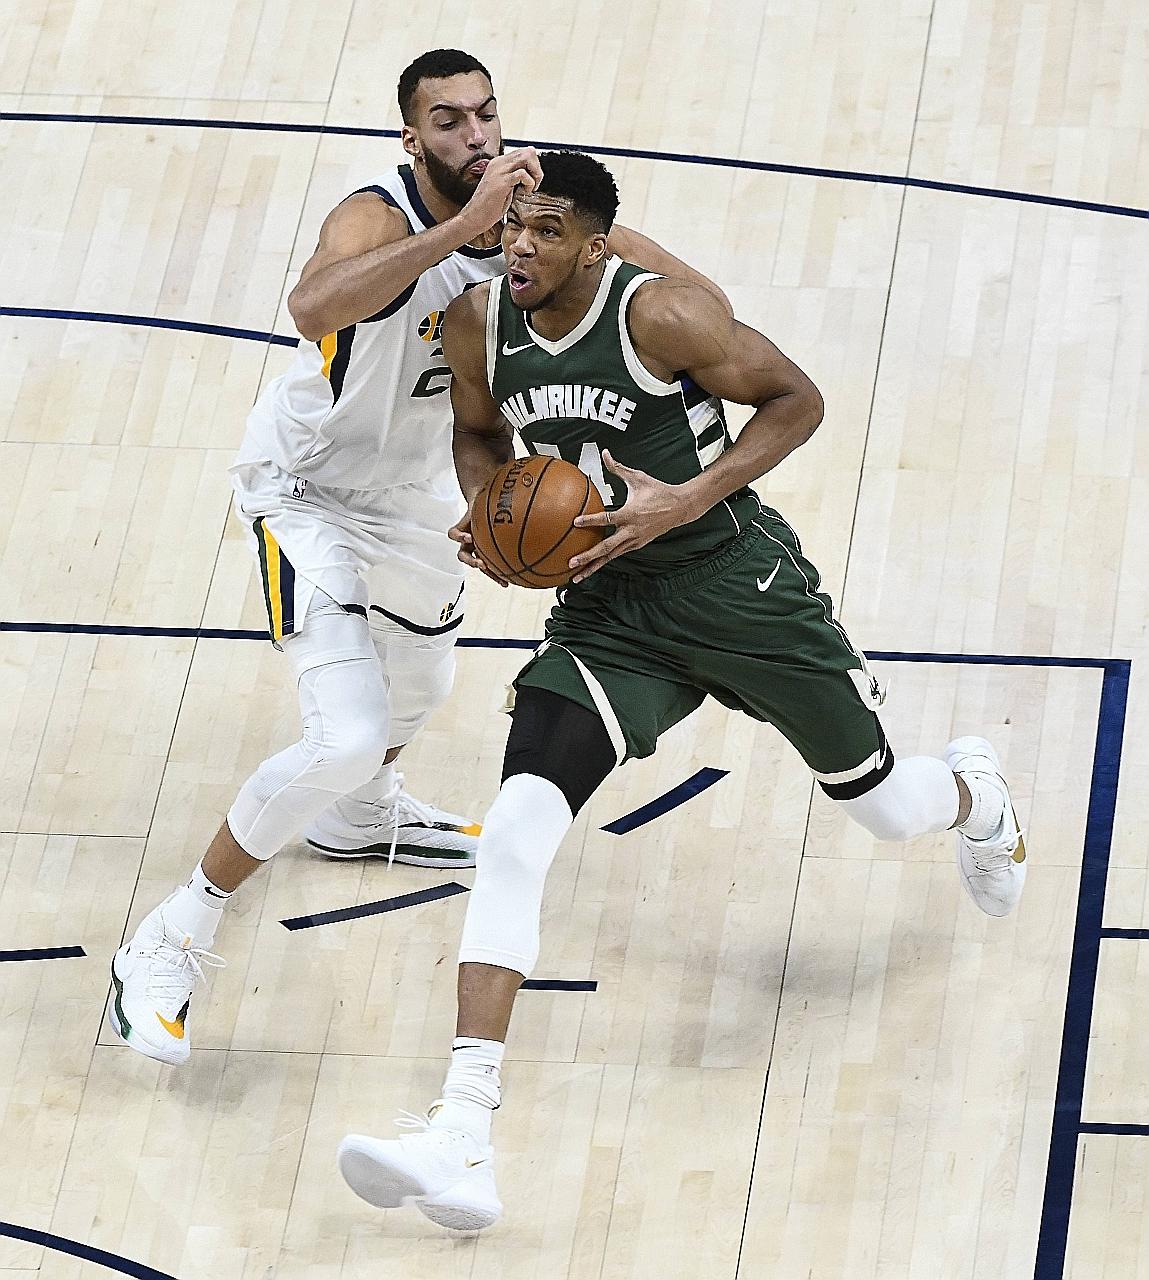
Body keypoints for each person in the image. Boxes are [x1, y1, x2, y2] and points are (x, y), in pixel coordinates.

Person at [334, 150, 1028, 1232]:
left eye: (548, 229)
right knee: (516, 826)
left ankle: (977, 795)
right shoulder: (476, 325)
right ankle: (461, 1130)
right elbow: (477, 430)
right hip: (613, 616)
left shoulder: (662, 316)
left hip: (737, 584)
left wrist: (685, 498)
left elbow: (798, 398)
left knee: (888, 804)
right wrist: (491, 506)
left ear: (596, 242)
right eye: (514, 224)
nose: (520, 243)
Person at [107, 54, 731, 1068]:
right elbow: (314, 307)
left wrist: (594, 277)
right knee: (345, 730)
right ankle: (171, 933)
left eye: (487, 115)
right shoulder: (379, 209)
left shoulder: (541, 228)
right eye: (447, 121)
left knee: (424, 682)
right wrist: (457, 230)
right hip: (306, 489)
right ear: (413, 139)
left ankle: (357, 820)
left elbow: (696, 304)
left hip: (422, 496)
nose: (475, 135)